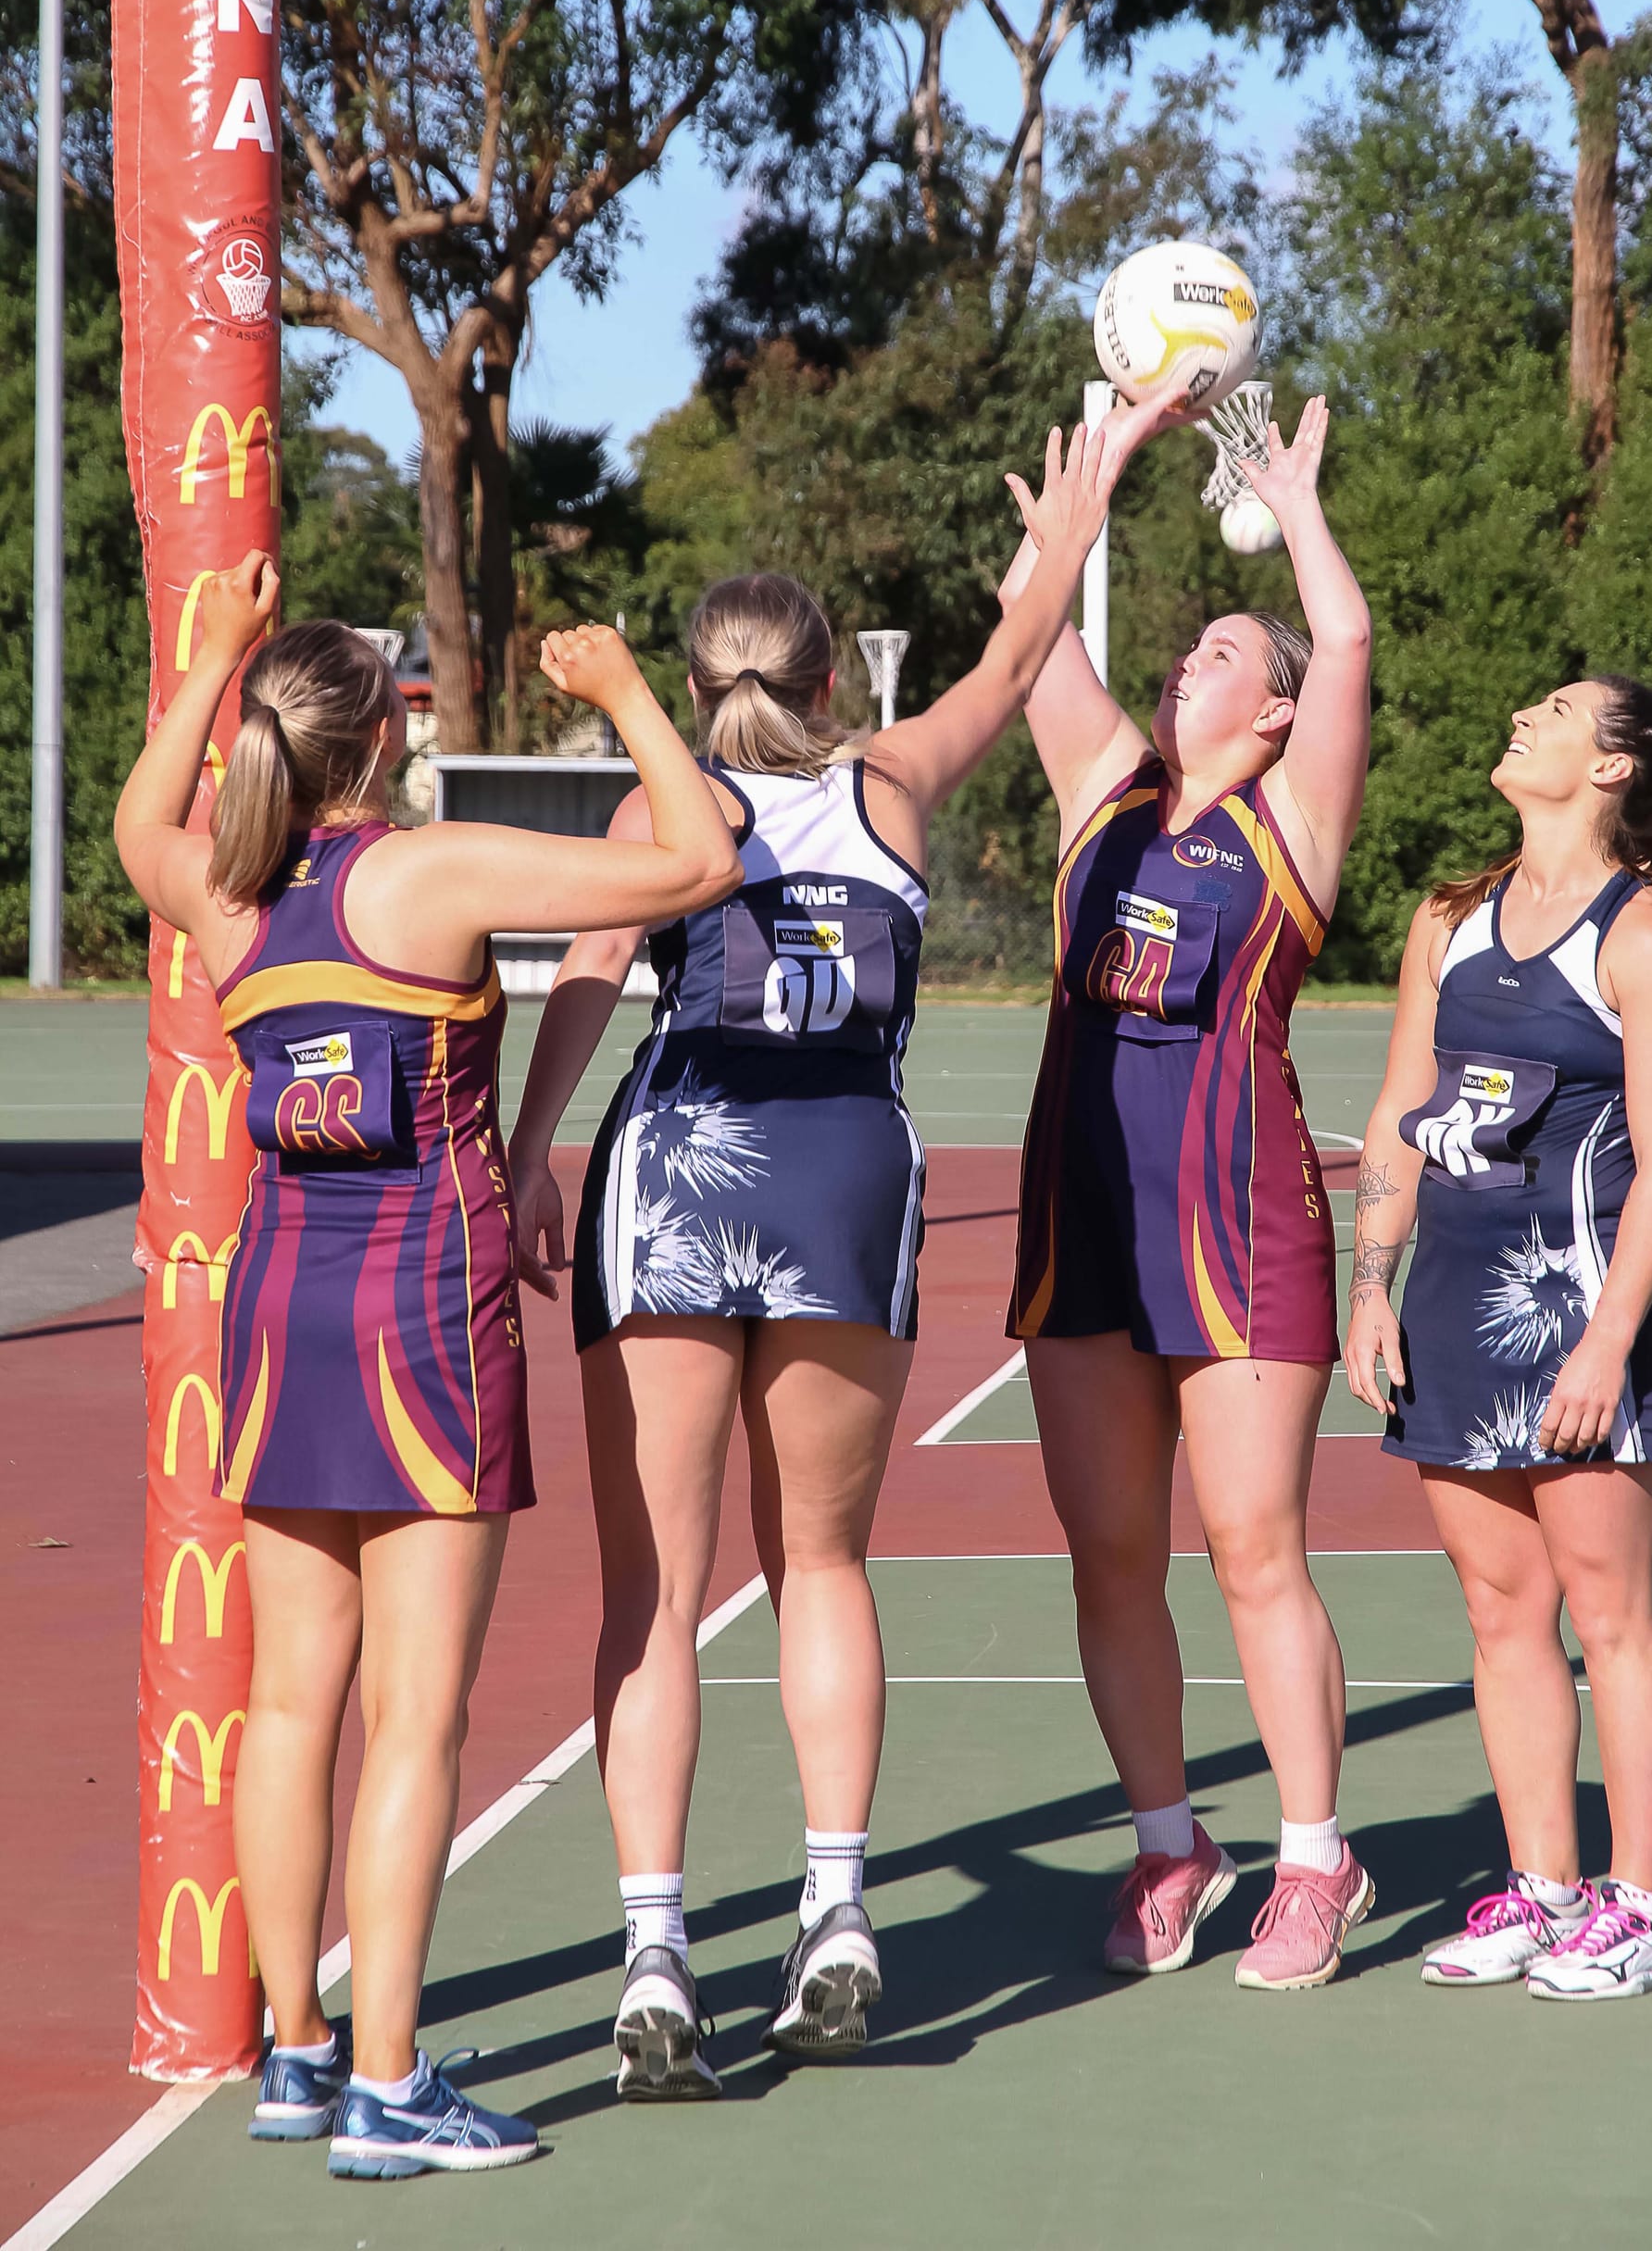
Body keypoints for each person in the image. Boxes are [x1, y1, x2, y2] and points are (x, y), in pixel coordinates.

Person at [509, 422, 1118, 2094]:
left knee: (654, 1594)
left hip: (683, 1166)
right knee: (823, 1568)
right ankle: (839, 1912)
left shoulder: (668, 799)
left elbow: (582, 976)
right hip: (848, 1168)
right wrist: (1073, 519)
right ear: (835, 669)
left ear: (700, 677)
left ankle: (652, 1955)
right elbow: (1011, 662)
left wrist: (529, 1149)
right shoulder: (891, 785)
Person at [114, 559, 740, 2178]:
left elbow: (134, 825)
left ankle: (299, 2058)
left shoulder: (222, 893)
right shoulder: (428, 872)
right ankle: (390, 2089)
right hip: (421, 1318)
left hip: (273, 1315)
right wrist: (621, 700)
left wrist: (211, 659)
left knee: (286, 1702)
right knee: (415, 1718)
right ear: (383, 741)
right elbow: (697, 857)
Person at [1001, 392, 1376, 1990]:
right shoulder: (1109, 793)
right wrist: (1077, 521)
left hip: (1240, 1228)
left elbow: (1345, 641)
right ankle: (1174, 1842)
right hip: (1084, 1225)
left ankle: (1315, 1857)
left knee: (1252, 1545)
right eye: (1190, 650)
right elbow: (1022, 655)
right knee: (1108, 1552)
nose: (1189, 663)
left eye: (1227, 652)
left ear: (1277, 712)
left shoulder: (1289, 824)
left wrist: (1289, 505)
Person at [1345, 677, 1652, 1999]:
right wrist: (1372, 1284)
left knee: (1613, 1613)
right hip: (1451, 1299)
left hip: (1579, 1309)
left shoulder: (1649, 939)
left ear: (1614, 767)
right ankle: (1544, 1890)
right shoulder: (1448, 918)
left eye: (1557, 710)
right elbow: (1400, 1105)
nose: (1522, 716)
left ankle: (1646, 1910)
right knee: (1502, 1613)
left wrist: (1609, 1343)